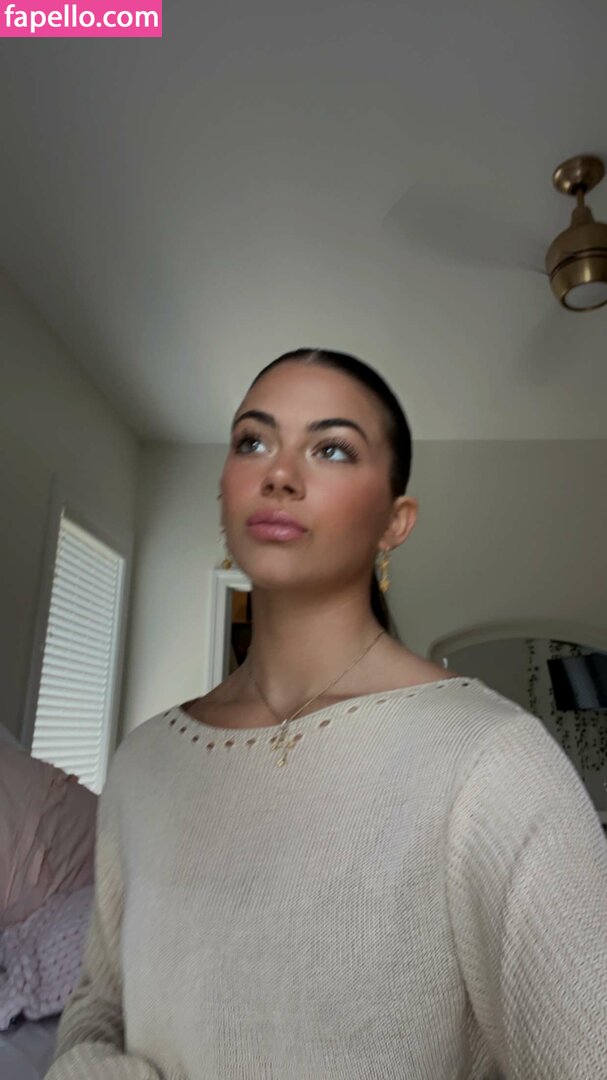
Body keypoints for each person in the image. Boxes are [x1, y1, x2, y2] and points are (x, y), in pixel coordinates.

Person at [47, 349, 607, 1079]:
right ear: (224, 490)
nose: (278, 474)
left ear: (394, 522)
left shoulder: (491, 761)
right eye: (253, 441)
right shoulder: (144, 762)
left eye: (332, 448)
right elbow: (97, 1003)